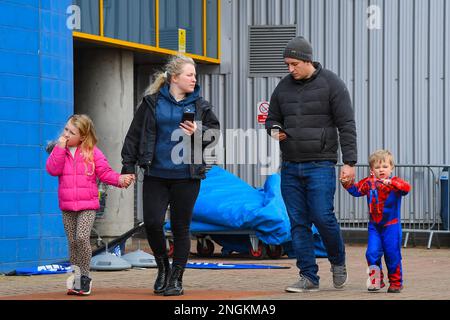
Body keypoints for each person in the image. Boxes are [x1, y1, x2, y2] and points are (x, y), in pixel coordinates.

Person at [121, 54, 220, 296]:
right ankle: (163, 267)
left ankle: (176, 278)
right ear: (174, 78)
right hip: (156, 174)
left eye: (195, 75)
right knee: (154, 223)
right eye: (190, 74)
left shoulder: (200, 105)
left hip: (186, 176)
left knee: (180, 227)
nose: (194, 79)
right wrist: (128, 166)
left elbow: (214, 134)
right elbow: (134, 135)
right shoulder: (152, 103)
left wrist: (200, 130)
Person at [265, 36, 357, 292]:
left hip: (321, 165)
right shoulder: (282, 88)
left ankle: (338, 261)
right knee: (298, 222)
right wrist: (274, 130)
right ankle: (308, 276)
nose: (290, 69)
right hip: (291, 166)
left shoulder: (332, 84)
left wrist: (349, 162)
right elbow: (271, 119)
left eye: (294, 64)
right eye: (287, 64)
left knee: (322, 216)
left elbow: (346, 125)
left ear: (307, 61)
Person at [46, 114, 134, 296]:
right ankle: (76, 275)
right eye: (66, 130)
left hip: (88, 205)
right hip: (67, 206)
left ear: (83, 137)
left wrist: (120, 179)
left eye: (72, 132)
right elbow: (52, 169)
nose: (66, 134)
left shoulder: (92, 152)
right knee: (72, 242)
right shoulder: (59, 150)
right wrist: (59, 148)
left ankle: (85, 277)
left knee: (81, 238)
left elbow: (105, 172)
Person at [341, 150, 410, 293]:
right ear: (372, 170)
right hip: (375, 226)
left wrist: (391, 183)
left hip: (392, 226)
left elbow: (406, 188)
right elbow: (356, 190)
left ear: (391, 167)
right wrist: (347, 183)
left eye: (385, 166)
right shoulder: (368, 182)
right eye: (377, 167)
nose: (381, 170)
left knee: (392, 254)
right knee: (371, 253)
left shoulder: (395, 182)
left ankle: (396, 282)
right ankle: (376, 281)